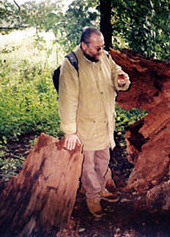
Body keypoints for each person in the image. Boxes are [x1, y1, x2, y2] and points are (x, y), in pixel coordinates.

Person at [58, 27, 130, 218]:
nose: (101, 51)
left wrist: (121, 81)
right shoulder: (71, 64)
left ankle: (100, 189)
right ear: (84, 46)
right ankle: (92, 196)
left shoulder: (104, 56)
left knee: (103, 160)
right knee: (88, 164)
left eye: (102, 47)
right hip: (85, 125)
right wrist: (69, 131)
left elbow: (117, 72)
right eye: (97, 48)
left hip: (105, 122)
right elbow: (67, 99)